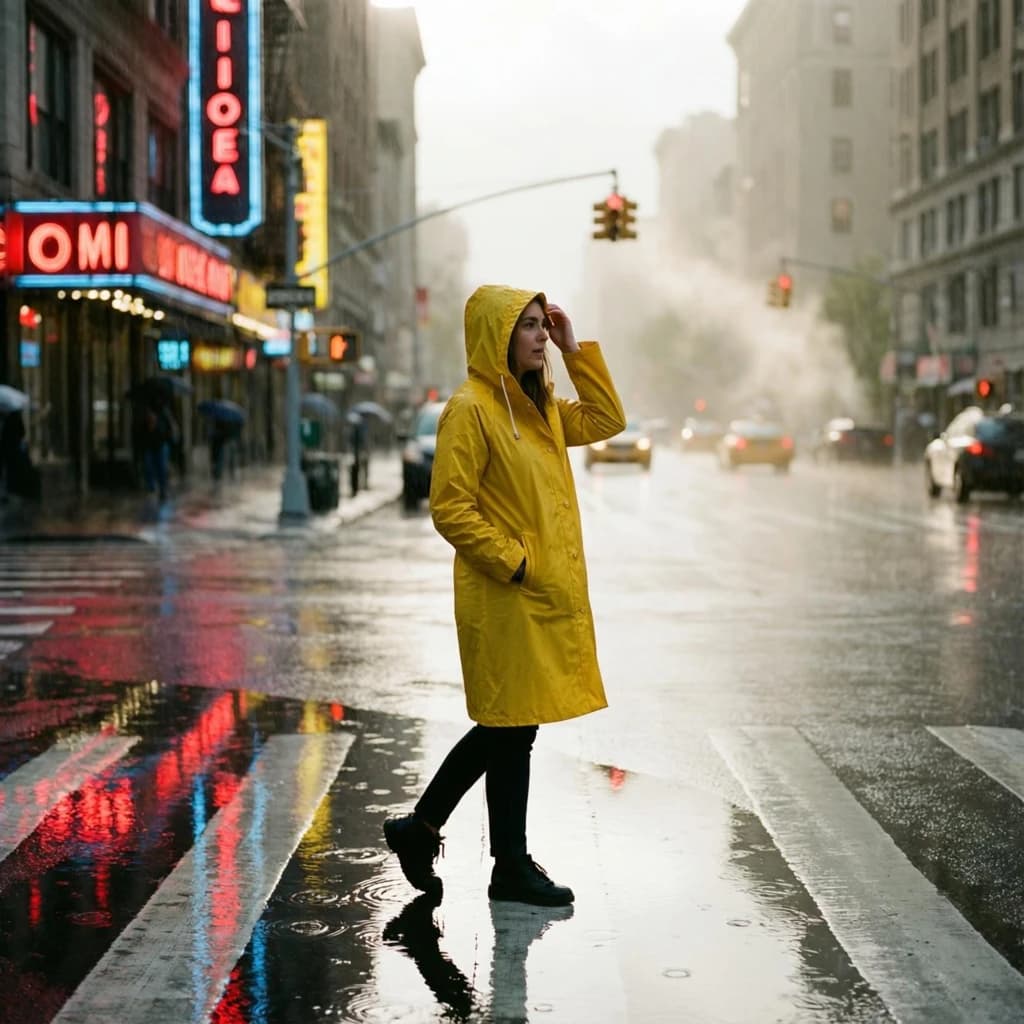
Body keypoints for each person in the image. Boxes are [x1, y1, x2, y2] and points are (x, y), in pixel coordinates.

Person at [383, 285, 626, 906]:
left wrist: (577, 352)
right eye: (529, 327)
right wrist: (515, 562)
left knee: (514, 729)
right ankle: (467, 846)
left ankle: (476, 851)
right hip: (504, 592)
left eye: (544, 325)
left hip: (534, 595)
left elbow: (606, 420)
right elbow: (451, 507)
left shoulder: (540, 406)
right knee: (506, 727)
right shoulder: (470, 408)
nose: (541, 335)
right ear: (497, 336)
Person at [139, 399, 176, 502]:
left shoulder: (164, 413)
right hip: (149, 445)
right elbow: (140, 431)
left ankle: (162, 489)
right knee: (149, 467)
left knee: (161, 468)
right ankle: (152, 488)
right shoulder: (145, 414)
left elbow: (169, 430)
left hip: (160, 444)